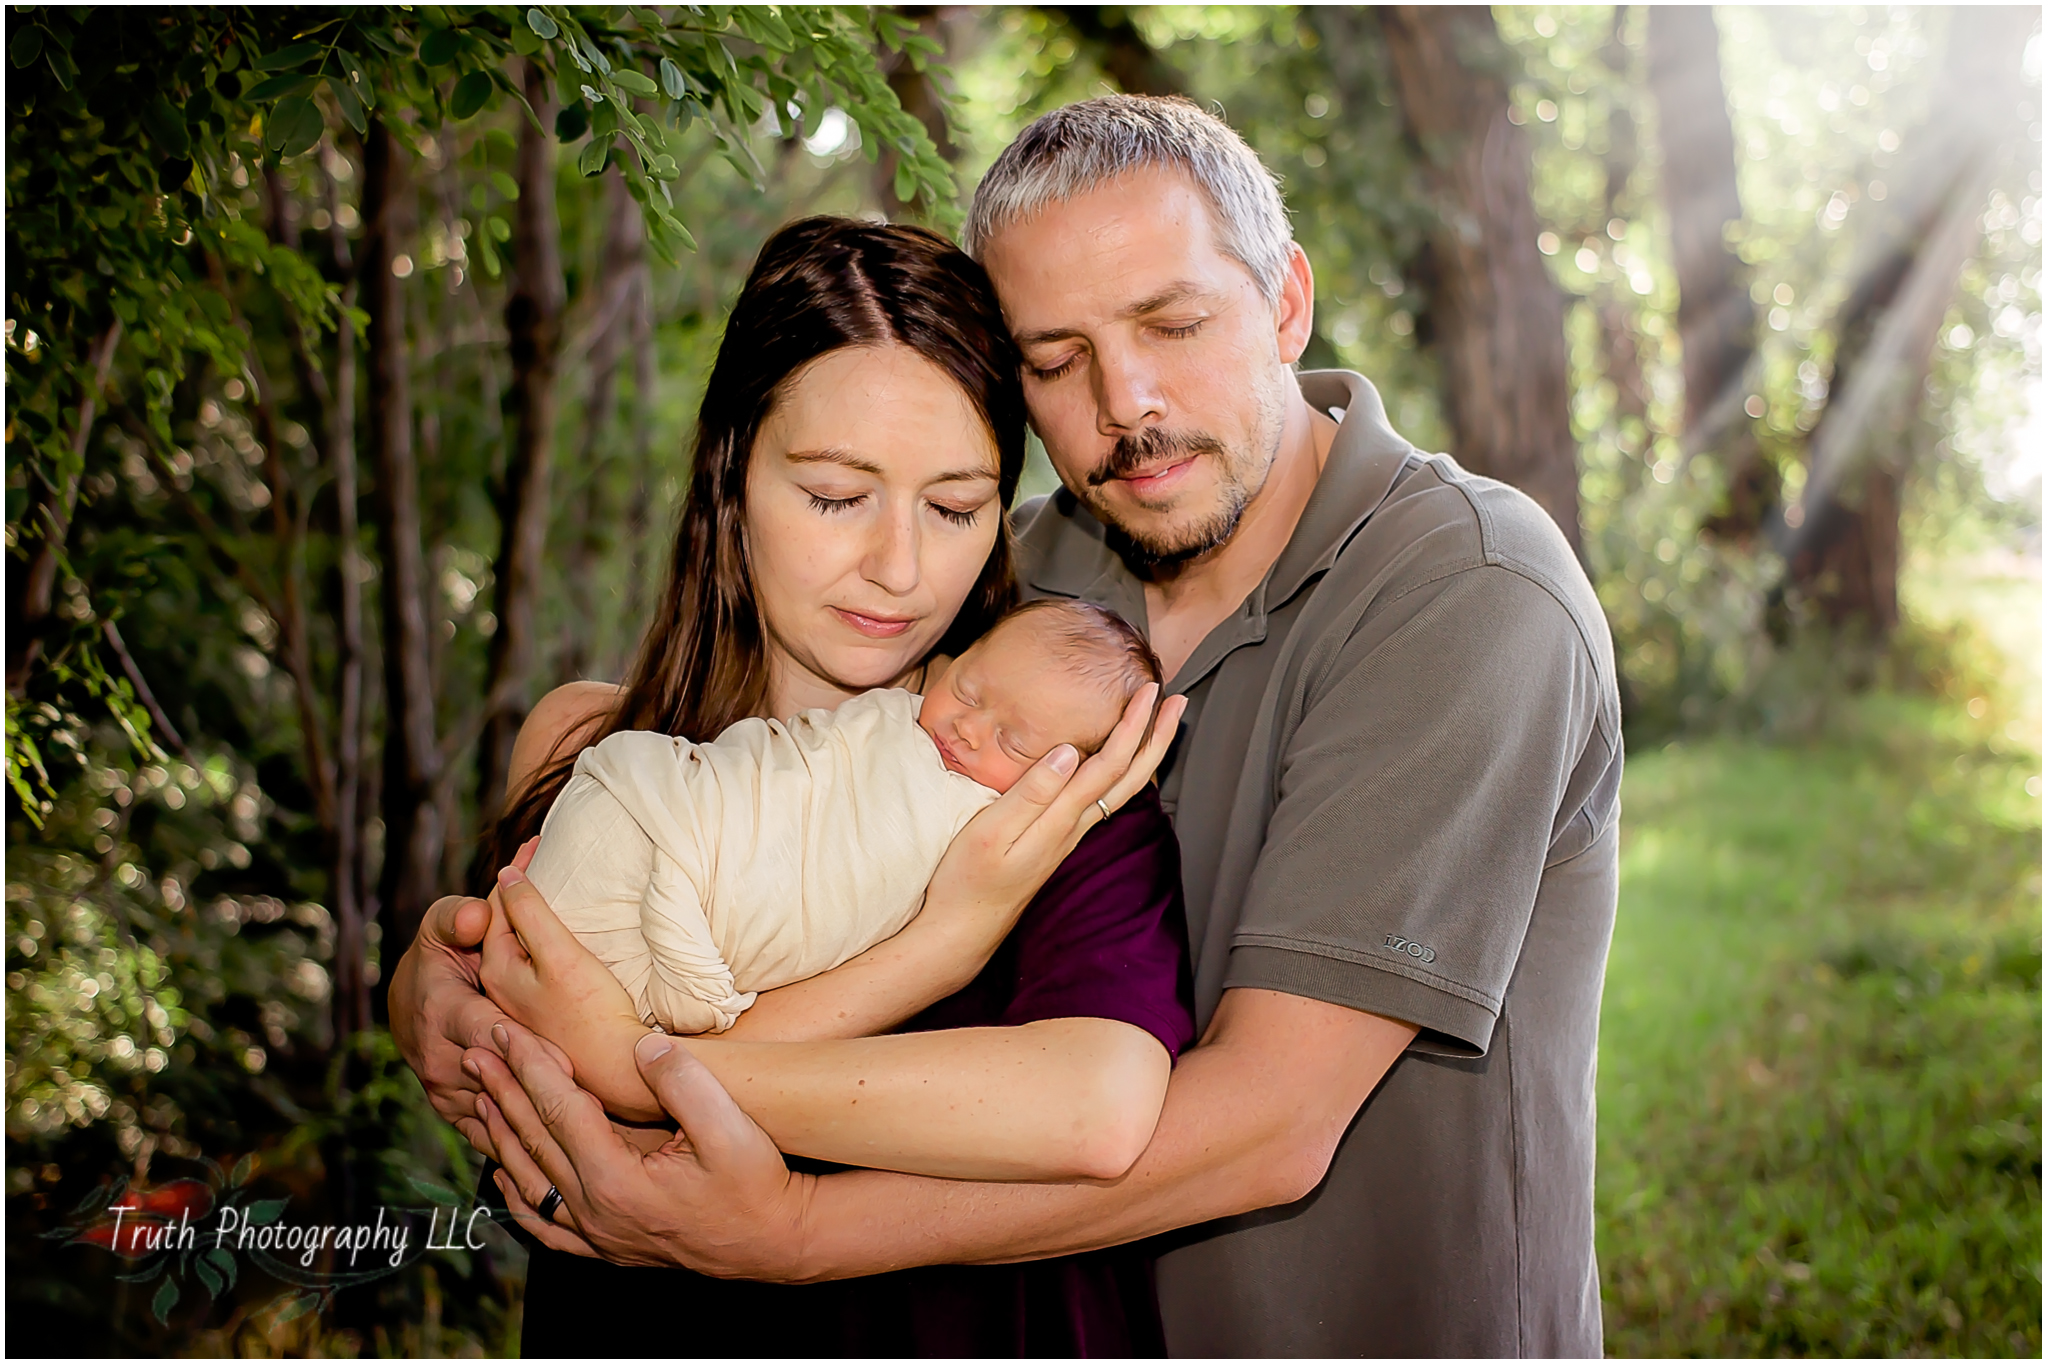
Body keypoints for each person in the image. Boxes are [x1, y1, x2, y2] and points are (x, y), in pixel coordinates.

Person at [452, 94, 1626, 1356]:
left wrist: (759, 1192)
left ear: (1286, 302)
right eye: (1055, 361)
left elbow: (1260, 1119)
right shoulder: (1023, 597)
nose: (1125, 400)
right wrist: (437, 978)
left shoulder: (1463, 593)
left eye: (1171, 323)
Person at [392, 214, 1195, 1355]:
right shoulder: (583, 745)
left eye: (956, 506)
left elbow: (1095, 1102)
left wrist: (640, 1069)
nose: (899, 567)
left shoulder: (1038, 778)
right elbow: (541, 1147)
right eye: (832, 495)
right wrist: (430, 989)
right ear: (732, 473)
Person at [506, 600, 1164, 1097]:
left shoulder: (1023, 840)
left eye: (1014, 743)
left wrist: (628, 1070)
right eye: (967, 690)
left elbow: (1096, 1115)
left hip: (687, 948)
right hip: (650, 835)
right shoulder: (888, 718)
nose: (966, 728)